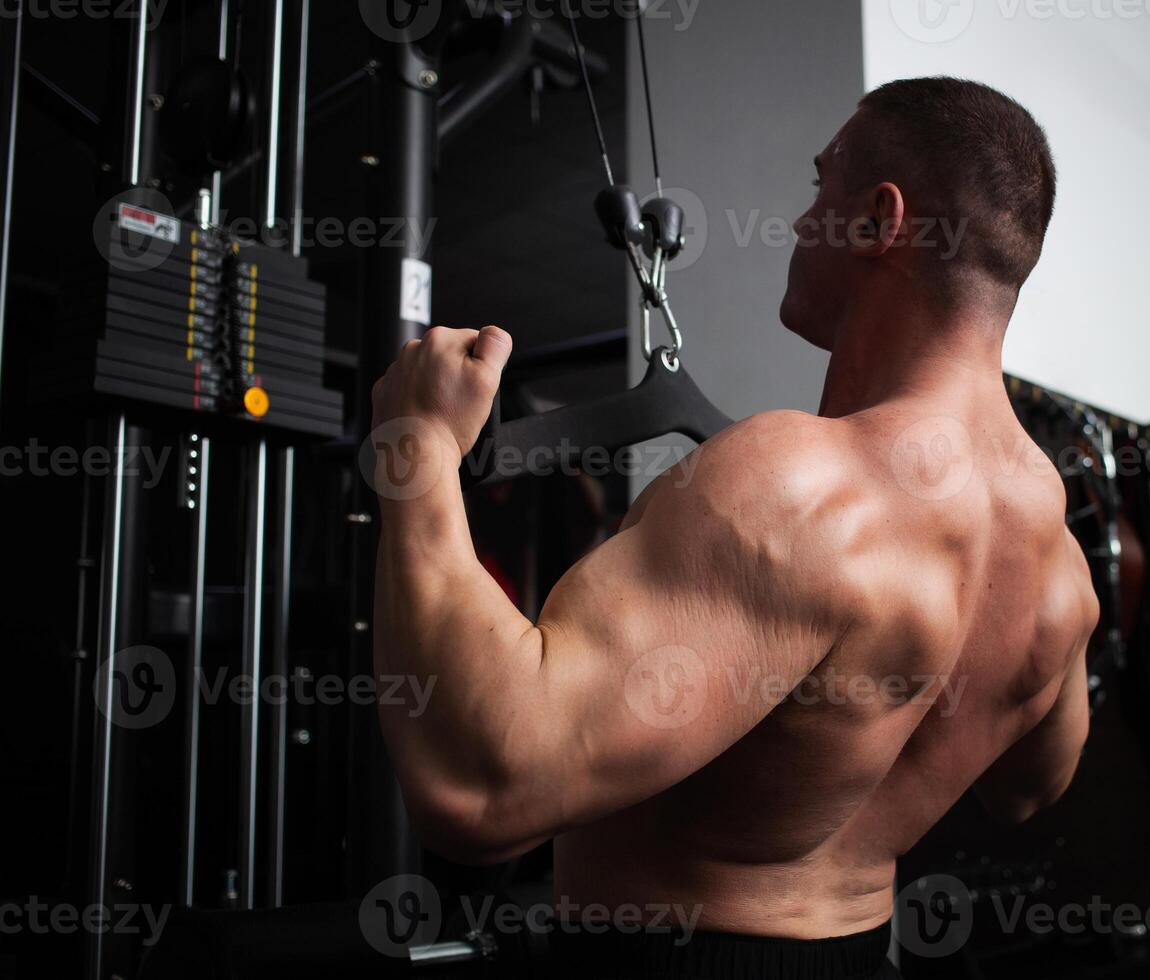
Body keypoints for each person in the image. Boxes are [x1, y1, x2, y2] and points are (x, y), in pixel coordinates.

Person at [369, 76, 1099, 980]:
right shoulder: (1059, 565)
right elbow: (1032, 786)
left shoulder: (799, 486)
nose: (798, 224)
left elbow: (480, 787)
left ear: (879, 220)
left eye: (818, 185)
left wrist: (421, 451)